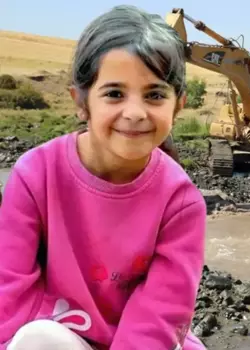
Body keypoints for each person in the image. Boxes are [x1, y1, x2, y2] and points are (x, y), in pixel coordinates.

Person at [0, 5, 207, 350]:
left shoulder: (181, 204)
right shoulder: (35, 176)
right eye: (114, 93)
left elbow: (161, 318)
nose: (135, 112)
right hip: (53, 338)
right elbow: (10, 295)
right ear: (81, 102)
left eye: (155, 95)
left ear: (178, 106)